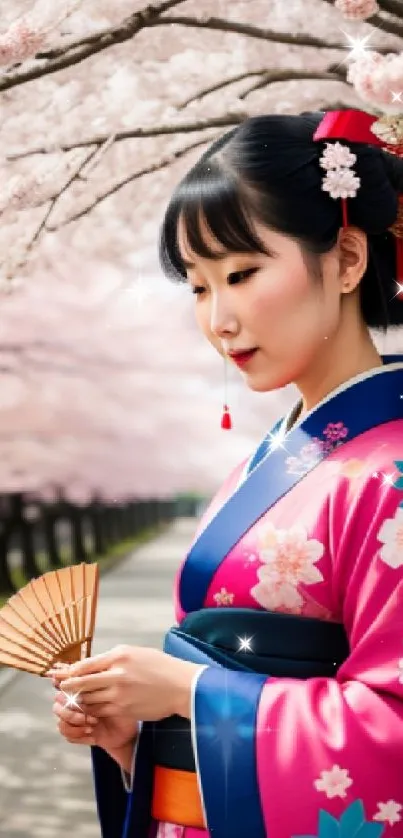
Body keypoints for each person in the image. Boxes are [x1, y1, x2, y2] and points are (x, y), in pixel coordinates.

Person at [51, 109, 403, 838]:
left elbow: (389, 728)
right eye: (198, 286)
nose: (218, 319)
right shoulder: (278, 455)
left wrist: (188, 688)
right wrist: (136, 733)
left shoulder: (389, 471)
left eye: (240, 274)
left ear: (344, 258)